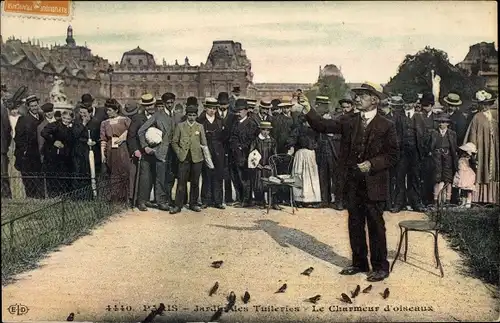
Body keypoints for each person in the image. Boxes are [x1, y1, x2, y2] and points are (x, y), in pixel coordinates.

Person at [300, 82, 399, 282]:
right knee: (355, 224)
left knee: (375, 225)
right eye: (357, 95)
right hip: (352, 182)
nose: (357, 98)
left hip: (374, 183)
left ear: (374, 100)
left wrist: (372, 163)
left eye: (362, 95)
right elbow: (323, 126)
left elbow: (393, 155)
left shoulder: (387, 125)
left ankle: (380, 267)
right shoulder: (349, 121)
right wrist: (308, 109)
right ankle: (359, 263)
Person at [138, 94, 176, 211]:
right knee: (160, 177)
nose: (170, 105)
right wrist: (145, 146)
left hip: (175, 151)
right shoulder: (157, 116)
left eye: (171, 102)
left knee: (171, 176)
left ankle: (168, 199)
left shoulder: (178, 116)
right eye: (167, 103)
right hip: (161, 151)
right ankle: (161, 201)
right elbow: (141, 131)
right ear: (163, 103)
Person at [170, 104, 208, 214]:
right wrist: (179, 152)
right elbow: (174, 141)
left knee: (195, 182)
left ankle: (193, 204)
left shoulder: (200, 127)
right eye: (190, 115)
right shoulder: (180, 126)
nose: (192, 117)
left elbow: (204, 143)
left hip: (197, 159)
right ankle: (178, 205)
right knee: (181, 183)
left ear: (196, 115)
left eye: (194, 115)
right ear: (186, 115)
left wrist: (205, 156)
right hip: (184, 158)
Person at [392, 94, 426, 213]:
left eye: (410, 102)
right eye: (406, 102)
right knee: (400, 177)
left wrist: (421, 152)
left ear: (414, 103)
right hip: (402, 153)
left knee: (415, 177)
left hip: (415, 152)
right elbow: (394, 134)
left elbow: (423, 136)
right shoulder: (398, 116)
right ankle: (399, 203)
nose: (407, 105)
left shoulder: (420, 117)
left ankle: (416, 203)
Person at [463, 89, 499, 204]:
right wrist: (473, 148)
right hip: (483, 149)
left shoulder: (494, 116)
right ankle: (480, 198)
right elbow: (473, 133)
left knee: (493, 170)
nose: (485, 107)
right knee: (482, 170)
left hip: (493, 148)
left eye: (487, 104)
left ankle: (492, 198)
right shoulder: (477, 117)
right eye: (483, 104)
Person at [286, 114, 321, 208]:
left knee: (310, 176)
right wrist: (291, 146)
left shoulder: (315, 130)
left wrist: (315, 147)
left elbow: (319, 141)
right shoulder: (298, 129)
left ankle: (310, 199)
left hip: (310, 154)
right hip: (301, 153)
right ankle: (299, 199)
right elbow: (291, 139)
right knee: (300, 175)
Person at [229, 98, 259, 207]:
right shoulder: (235, 123)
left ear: (246, 111)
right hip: (234, 156)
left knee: (245, 179)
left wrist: (241, 147)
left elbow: (252, 140)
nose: (238, 113)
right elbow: (232, 137)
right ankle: (240, 198)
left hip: (245, 156)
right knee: (236, 178)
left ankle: (246, 200)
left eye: (240, 110)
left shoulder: (251, 124)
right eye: (237, 111)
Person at [100, 99, 131, 202]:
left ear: (116, 110)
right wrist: (102, 154)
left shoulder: (125, 120)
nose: (107, 112)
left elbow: (131, 131)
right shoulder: (104, 123)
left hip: (123, 148)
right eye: (106, 110)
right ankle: (114, 197)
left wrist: (124, 136)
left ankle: (124, 197)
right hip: (110, 149)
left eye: (109, 110)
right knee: (112, 172)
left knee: (124, 171)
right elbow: (103, 139)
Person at [14, 94, 44, 198]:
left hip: (39, 153)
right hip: (28, 155)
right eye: (32, 106)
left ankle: (39, 198)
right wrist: (24, 151)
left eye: (36, 105)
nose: (34, 108)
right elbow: (18, 138)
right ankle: (31, 198)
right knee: (29, 179)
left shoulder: (42, 117)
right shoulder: (23, 120)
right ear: (28, 107)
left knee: (39, 178)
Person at [198, 98, 226, 209]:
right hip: (206, 150)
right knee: (206, 174)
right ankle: (205, 200)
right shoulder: (201, 121)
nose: (212, 111)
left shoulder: (220, 121)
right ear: (205, 108)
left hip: (218, 151)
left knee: (218, 175)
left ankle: (218, 200)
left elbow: (224, 137)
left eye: (214, 109)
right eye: (210, 108)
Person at [41, 110, 75, 197]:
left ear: (71, 119)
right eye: (64, 118)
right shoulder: (55, 125)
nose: (66, 120)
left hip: (66, 157)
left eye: (68, 119)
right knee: (54, 176)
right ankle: (53, 195)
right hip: (54, 156)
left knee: (64, 177)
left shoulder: (72, 127)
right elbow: (44, 132)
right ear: (61, 117)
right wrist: (54, 141)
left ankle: (64, 195)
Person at [249, 121, 280, 210]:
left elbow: (275, 155)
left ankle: (273, 202)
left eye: (267, 130)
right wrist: (256, 164)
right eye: (263, 130)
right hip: (259, 166)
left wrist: (271, 165)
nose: (265, 132)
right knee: (259, 184)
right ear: (260, 130)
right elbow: (251, 154)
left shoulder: (272, 141)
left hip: (269, 166)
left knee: (272, 184)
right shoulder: (256, 141)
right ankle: (260, 201)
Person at [428, 115, 458, 204]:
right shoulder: (433, 133)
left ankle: (448, 200)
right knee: (436, 178)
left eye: (444, 122)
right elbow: (429, 145)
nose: (441, 124)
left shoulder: (452, 133)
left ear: (448, 124)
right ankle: (435, 200)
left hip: (448, 158)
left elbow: (454, 147)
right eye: (440, 122)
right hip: (436, 158)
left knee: (448, 179)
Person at [453, 142, 477, 208]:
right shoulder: (461, 157)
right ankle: (463, 202)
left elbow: (474, 164)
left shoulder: (470, 158)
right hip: (461, 174)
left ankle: (468, 203)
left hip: (468, 175)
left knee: (468, 189)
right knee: (463, 189)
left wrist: (471, 155)